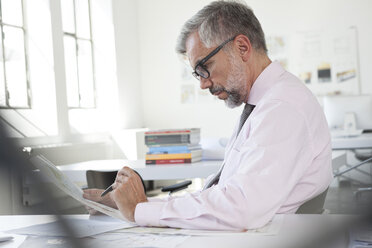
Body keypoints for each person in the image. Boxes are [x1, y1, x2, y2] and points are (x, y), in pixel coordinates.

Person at [84, 0, 333, 230]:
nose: (203, 84)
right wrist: (137, 205)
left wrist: (140, 210)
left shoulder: (282, 107)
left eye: (205, 68)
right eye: (197, 73)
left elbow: (241, 208)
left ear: (242, 47)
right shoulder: (263, 103)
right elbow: (224, 194)